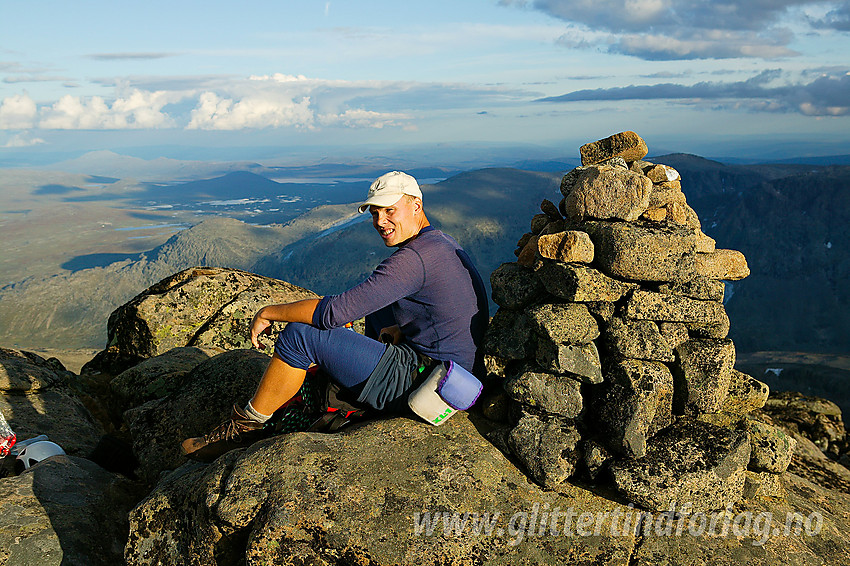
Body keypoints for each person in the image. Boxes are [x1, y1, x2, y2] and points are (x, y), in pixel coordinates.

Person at [181, 171, 489, 462]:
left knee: (300, 336)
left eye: (389, 211)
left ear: (416, 205)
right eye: (374, 213)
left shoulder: (414, 259)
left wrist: (269, 312)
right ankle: (351, 387)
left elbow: (331, 313)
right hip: (451, 374)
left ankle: (245, 429)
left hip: (426, 383)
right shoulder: (439, 244)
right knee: (378, 305)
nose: (380, 221)